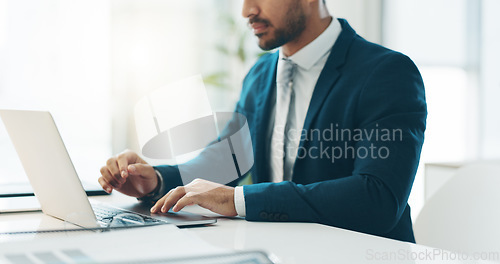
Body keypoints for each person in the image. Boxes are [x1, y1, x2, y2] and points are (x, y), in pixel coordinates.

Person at [98, 0, 426, 243]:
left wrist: (237, 199)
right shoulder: (261, 74)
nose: (246, 11)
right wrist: (154, 181)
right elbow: (226, 160)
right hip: (280, 250)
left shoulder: (387, 73)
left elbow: (378, 198)